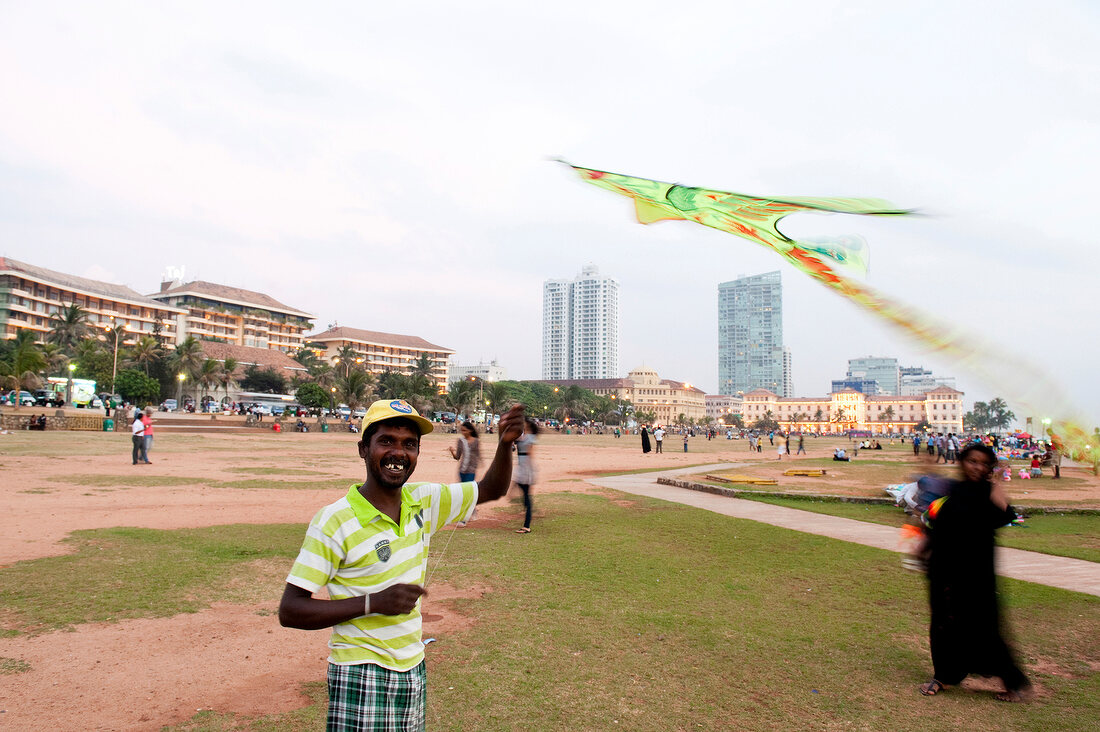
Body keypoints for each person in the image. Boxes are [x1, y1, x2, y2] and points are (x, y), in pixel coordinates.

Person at [279, 399, 525, 730]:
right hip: (360, 670)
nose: (399, 453)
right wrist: (373, 602)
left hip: (412, 665)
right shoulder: (335, 521)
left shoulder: (423, 500)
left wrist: (505, 444)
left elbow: (491, 489)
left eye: (410, 444)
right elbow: (291, 610)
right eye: (387, 441)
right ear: (363, 449)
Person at [918, 444, 1031, 702]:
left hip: (976, 574)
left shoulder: (989, 493)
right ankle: (944, 676)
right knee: (943, 624)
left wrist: (998, 481)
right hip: (944, 569)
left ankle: (1015, 684)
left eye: (983, 463)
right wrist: (923, 549)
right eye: (972, 461)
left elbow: (1006, 515)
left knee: (984, 627)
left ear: (989, 468)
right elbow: (935, 523)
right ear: (961, 461)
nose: (977, 467)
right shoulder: (952, 491)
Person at [513, 418, 539, 534]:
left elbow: (531, 453)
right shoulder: (523, 436)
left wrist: (531, 471)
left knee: (527, 497)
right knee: (524, 492)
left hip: (526, 468)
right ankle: (527, 506)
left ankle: (527, 526)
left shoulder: (530, 438)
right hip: (522, 466)